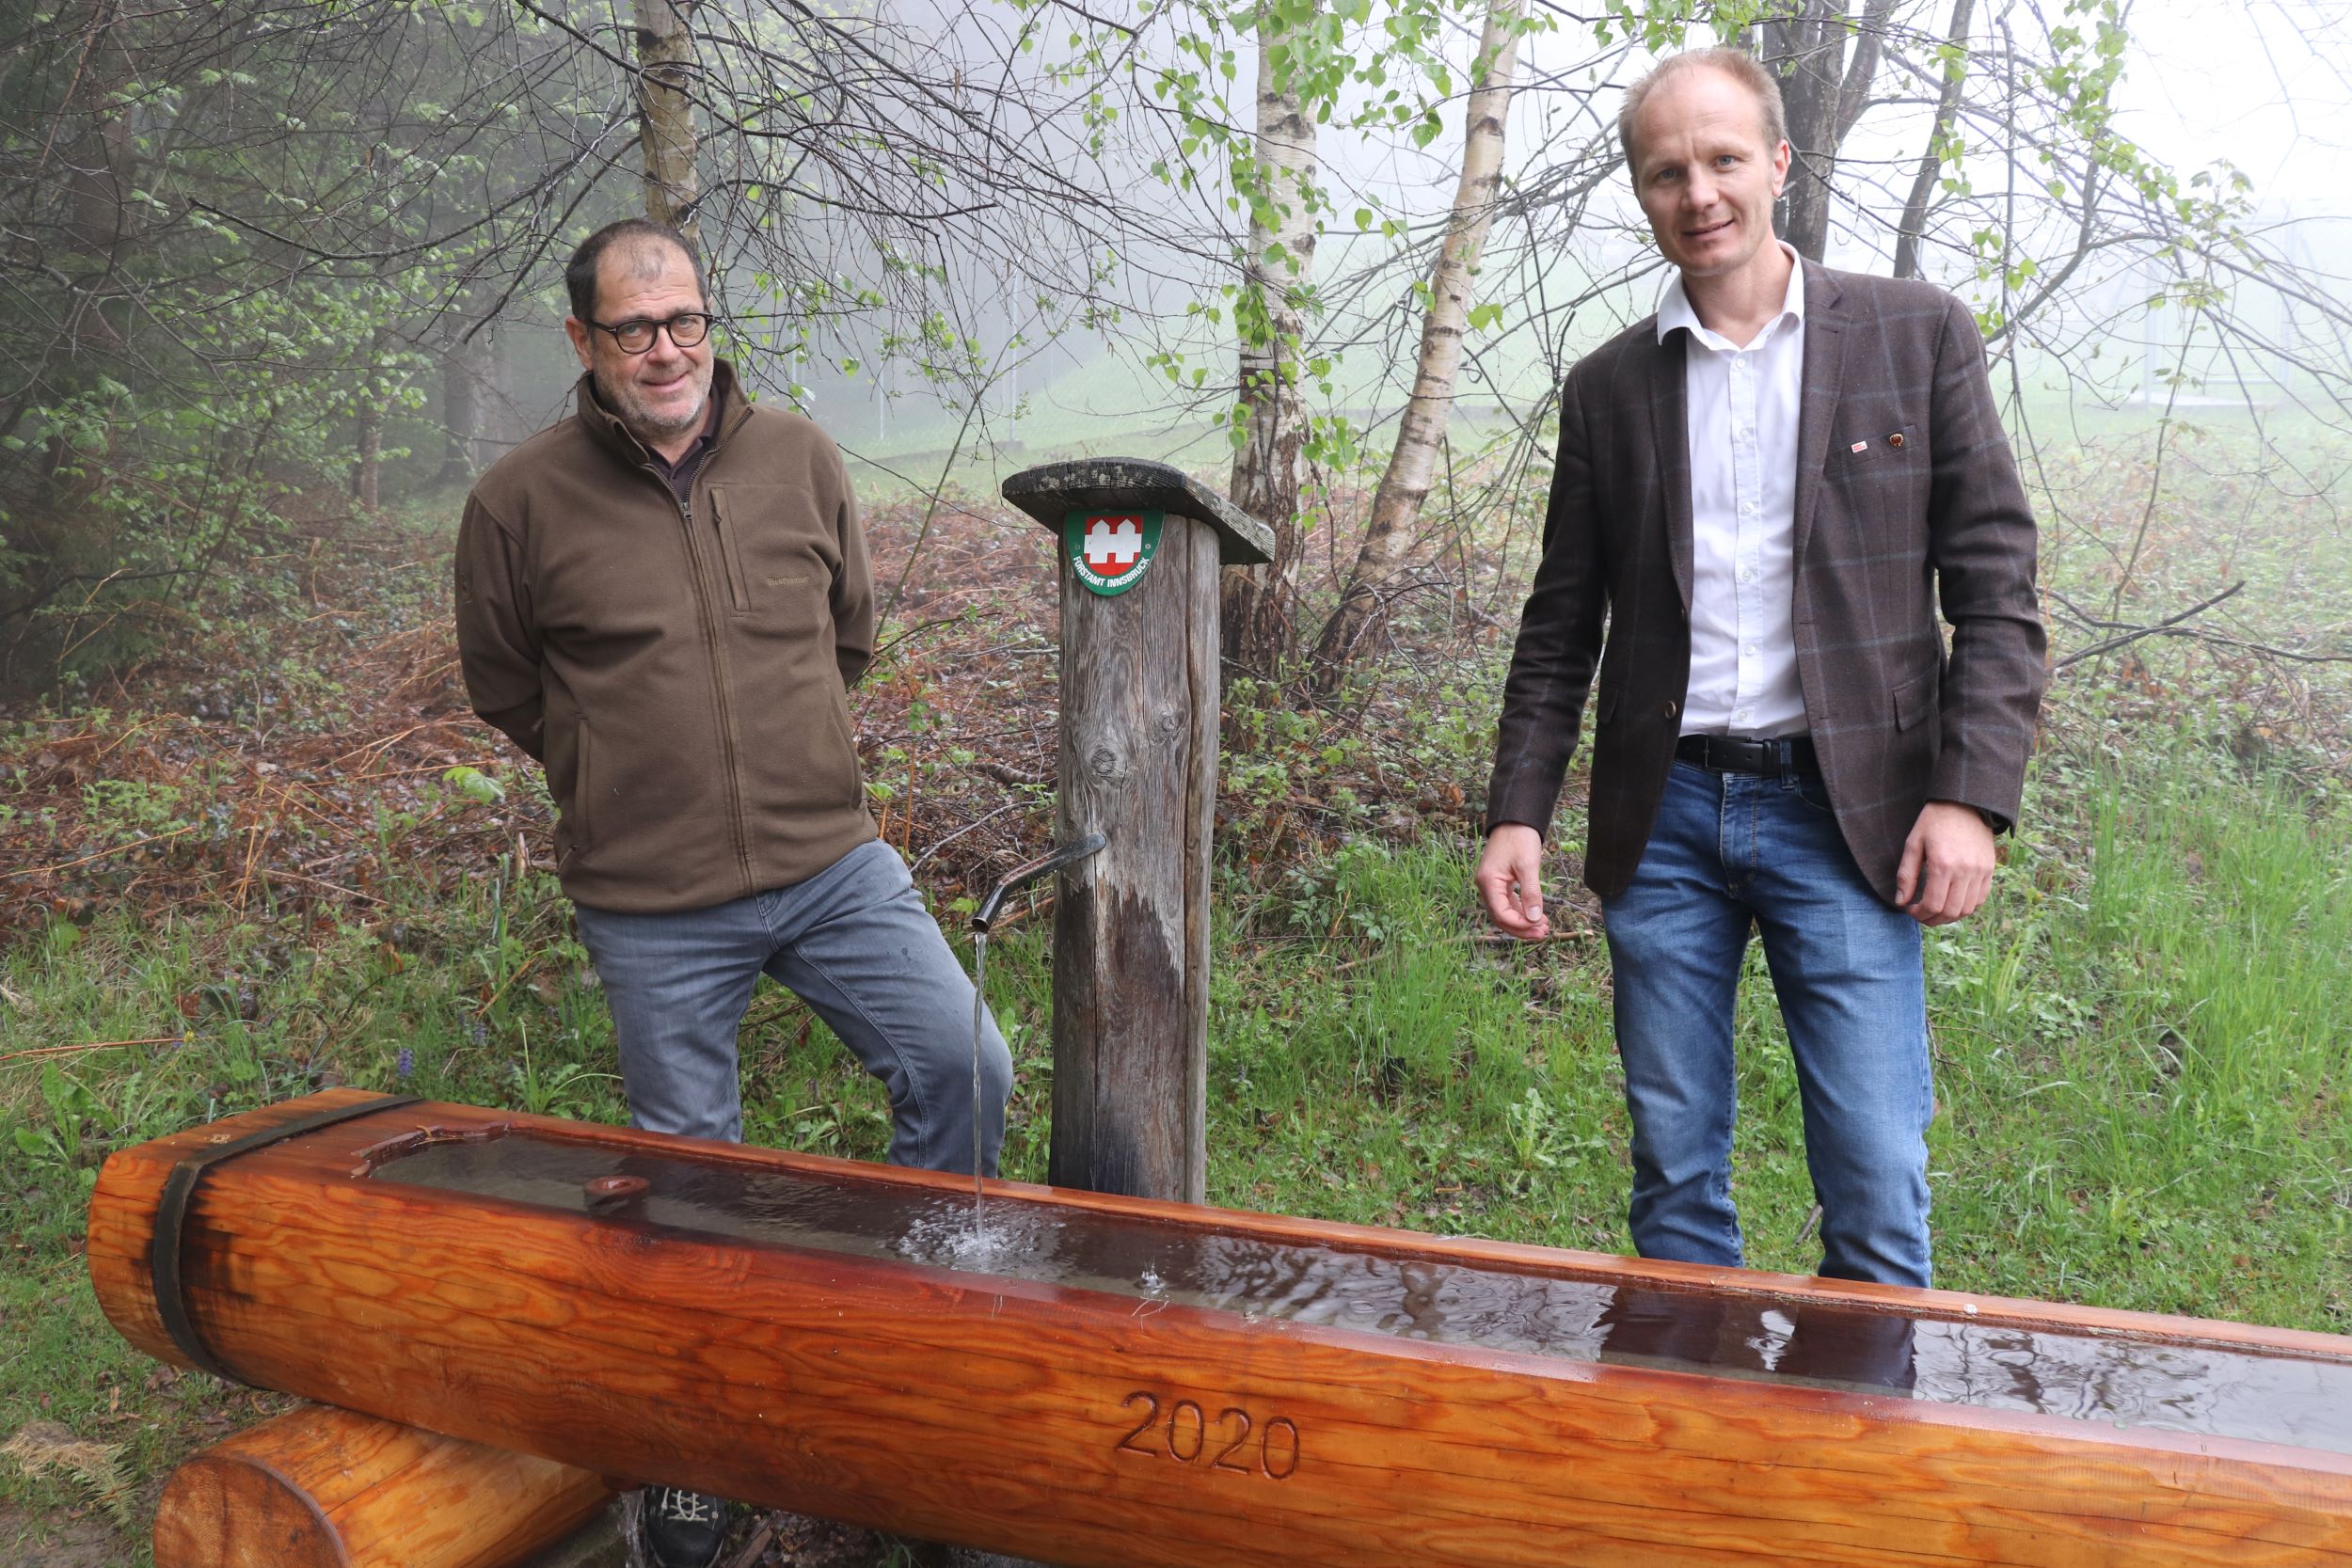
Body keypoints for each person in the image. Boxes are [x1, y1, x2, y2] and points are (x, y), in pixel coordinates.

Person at [453, 217, 1012, 1568]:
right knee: (693, 1185)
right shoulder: (517, 505)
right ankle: (699, 1452)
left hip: (832, 866)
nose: (666, 348)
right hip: (653, 904)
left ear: (712, 325)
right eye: (634, 327)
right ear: (582, 341)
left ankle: (907, 1356)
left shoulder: (799, 459)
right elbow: (507, 686)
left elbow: (848, 637)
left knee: (966, 1062)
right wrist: (624, 774)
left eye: (685, 320)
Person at [1474, 49, 2046, 1291]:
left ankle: (1860, 1469)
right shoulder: (1610, 389)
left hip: (1847, 816)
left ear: (1779, 162)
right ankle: (1698, 1459)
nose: (1701, 194)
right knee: (1674, 1177)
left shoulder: (1915, 334)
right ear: (1641, 191)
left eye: (1725, 159)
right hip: (1664, 819)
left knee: (1877, 1181)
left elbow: (1996, 583)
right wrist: (1518, 807)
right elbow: (1560, 626)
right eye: (1667, 171)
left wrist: (1971, 793)